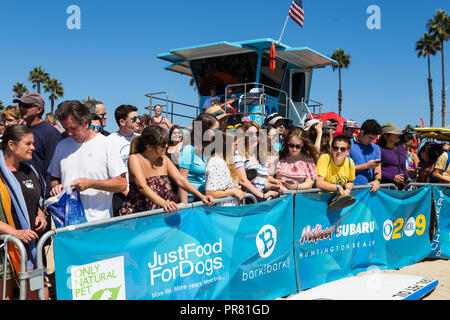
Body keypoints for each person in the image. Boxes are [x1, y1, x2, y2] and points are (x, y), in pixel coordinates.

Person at [48, 100, 127, 222]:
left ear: (86, 123)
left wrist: (91, 183)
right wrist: (56, 186)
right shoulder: (61, 146)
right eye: (66, 128)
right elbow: (54, 178)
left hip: (98, 224)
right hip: (68, 224)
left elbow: (121, 184)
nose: (69, 133)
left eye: (73, 128)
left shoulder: (106, 145)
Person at [119, 125, 214, 214]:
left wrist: (202, 196)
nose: (167, 146)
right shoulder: (135, 158)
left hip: (161, 214)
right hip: (139, 215)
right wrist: (164, 203)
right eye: (163, 144)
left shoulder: (164, 159)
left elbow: (181, 180)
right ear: (149, 146)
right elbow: (142, 187)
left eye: (167, 143)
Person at [0, 125, 48, 300]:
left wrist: (40, 213)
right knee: (6, 296)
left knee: (38, 292)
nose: (33, 148)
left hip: (31, 248)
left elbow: (34, 200)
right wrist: (14, 233)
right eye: (28, 144)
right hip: (6, 248)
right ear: (11, 145)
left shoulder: (30, 169)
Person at [13, 92, 62, 198]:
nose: (21, 108)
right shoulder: (19, 130)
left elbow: (52, 169)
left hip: (40, 196)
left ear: (39, 109)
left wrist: (46, 197)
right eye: (20, 105)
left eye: (26, 106)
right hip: (19, 192)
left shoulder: (50, 133)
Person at [107, 105, 141, 216]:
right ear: (122, 122)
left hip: (140, 194)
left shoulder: (142, 139)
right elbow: (109, 172)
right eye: (134, 119)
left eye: (138, 117)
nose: (138, 121)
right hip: (119, 196)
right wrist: (127, 193)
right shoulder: (109, 141)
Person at [234, 121, 281, 201]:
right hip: (246, 201)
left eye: (257, 134)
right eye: (250, 134)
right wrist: (262, 195)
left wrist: (271, 186)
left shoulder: (261, 156)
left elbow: (261, 181)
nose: (254, 137)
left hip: (259, 200)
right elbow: (242, 180)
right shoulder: (239, 154)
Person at [178, 113, 219, 203]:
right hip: (191, 199)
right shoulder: (188, 150)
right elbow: (182, 181)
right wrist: (185, 207)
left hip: (206, 197)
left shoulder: (209, 150)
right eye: (215, 130)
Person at [205, 131, 245, 206]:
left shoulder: (227, 162)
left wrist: (237, 190)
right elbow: (210, 193)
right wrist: (232, 191)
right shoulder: (215, 162)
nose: (236, 148)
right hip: (220, 211)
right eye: (235, 145)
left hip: (230, 209)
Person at [349, 119, 383, 192]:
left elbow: (378, 169)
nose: (371, 140)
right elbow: (345, 169)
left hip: (369, 191)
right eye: (370, 137)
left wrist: (377, 181)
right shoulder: (348, 144)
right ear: (362, 132)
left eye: (374, 138)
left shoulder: (376, 148)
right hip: (351, 190)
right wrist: (366, 166)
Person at [377, 123, 409, 189]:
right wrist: (393, 177)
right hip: (385, 189)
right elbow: (376, 170)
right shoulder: (377, 149)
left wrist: (407, 178)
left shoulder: (401, 149)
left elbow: (403, 168)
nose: (398, 135)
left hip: (401, 188)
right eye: (394, 133)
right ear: (386, 136)